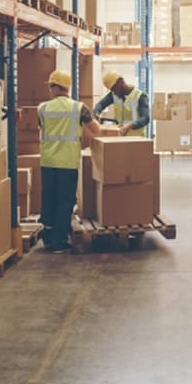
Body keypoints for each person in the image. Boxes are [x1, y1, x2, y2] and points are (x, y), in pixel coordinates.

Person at [39, 70, 102, 253]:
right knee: (64, 201)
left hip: (48, 161)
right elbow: (96, 130)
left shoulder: (42, 108)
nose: (50, 90)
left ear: (57, 87)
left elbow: (42, 127)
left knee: (48, 199)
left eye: (51, 86)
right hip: (67, 162)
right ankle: (59, 242)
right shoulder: (79, 108)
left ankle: (48, 239)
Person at [93, 71, 150, 137]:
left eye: (114, 88)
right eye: (112, 90)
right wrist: (96, 113)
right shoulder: (114, 95)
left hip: (136, 139)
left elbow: (145, 118)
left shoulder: (140, 96)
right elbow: (100, 104)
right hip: (120, 138)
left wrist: (131, 125)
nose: (114, 92)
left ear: (121, 82)